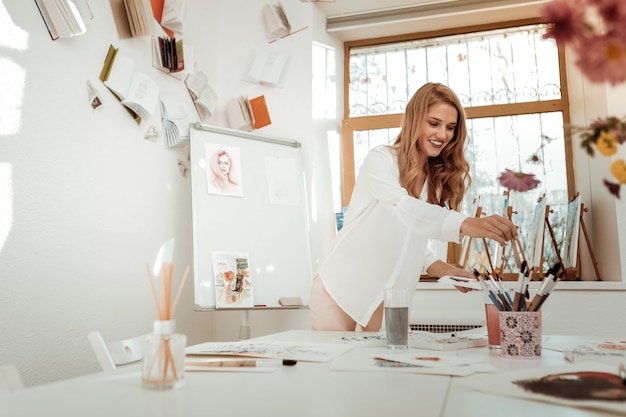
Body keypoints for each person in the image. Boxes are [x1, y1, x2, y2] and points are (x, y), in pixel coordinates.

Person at [309, 82, 518, 332]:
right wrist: (465, 224)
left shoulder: (435, 180)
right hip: (340, 289)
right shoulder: (381, 159)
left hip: (385, 300)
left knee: (376, 369)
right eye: (434, 123)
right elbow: (402, 208)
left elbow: (411, 237)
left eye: (450, 128)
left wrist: (446, 270)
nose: (443, 135)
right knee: (332, 368)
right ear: (414, 120)